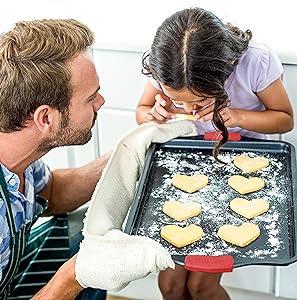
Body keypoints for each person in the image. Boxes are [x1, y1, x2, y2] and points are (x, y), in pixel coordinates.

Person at [0, 18, 180, 300]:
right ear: (45, 117)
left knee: (87, 230)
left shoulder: (19, 153)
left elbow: (54, 193)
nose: (101, 102)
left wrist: (126, 156)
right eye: (90, 97)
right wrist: (73, 277)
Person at [135, 7, 294, 300]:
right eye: (177, 99)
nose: (191, 110)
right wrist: (155, 113)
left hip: (243, 164)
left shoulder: (256, 61)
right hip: (185, 164)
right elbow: (142, 112)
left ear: (226, 69)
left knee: (201, 287)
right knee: (170, 286)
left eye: (199, 100)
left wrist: (236, 115)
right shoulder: (168, 63)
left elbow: (284, 118)